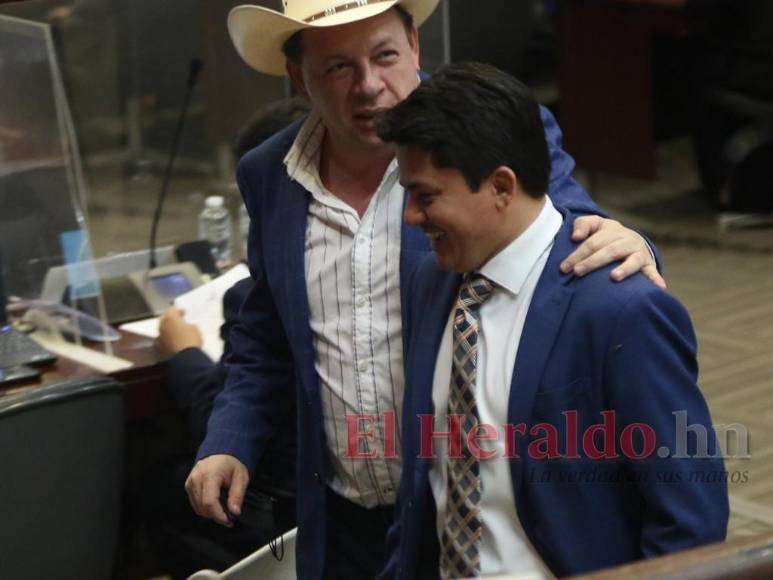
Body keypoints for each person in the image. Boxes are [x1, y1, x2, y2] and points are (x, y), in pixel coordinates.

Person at [185, 2, 666, 578]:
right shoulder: (269, 174)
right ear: (298, 77)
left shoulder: (486, 131)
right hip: (336, 520)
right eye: (339, 67)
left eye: (385, 56)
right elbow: (265, 335)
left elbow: (575, 235)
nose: (369, 85)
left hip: (462, 512)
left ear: (414, 44)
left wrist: (631, 242)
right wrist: (229, 439)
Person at [376, 62, 729, 579]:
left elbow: (691, 520)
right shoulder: (431, 281)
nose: (410, 216)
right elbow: (426, 490)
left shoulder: (620, 309)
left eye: (426, 196)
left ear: (501, 186)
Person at [143, 278, 296, 578]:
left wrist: (184, 352)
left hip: (282, 509)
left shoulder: (258, 293)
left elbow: (229, 412)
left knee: (157, 484)